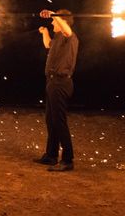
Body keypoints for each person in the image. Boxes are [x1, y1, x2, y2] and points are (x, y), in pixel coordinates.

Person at [33, 9, 79, 171]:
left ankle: (68, 160)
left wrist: (53, 14)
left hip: (60, 83)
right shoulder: (59, 38)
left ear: (62, 21)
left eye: (54, 21)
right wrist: (44, 32)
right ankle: (51, 156)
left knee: (59, 122)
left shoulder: (69, 36)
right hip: (52, 82)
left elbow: (66, 29)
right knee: (50, 121)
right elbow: (48, 44)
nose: (52, 23)